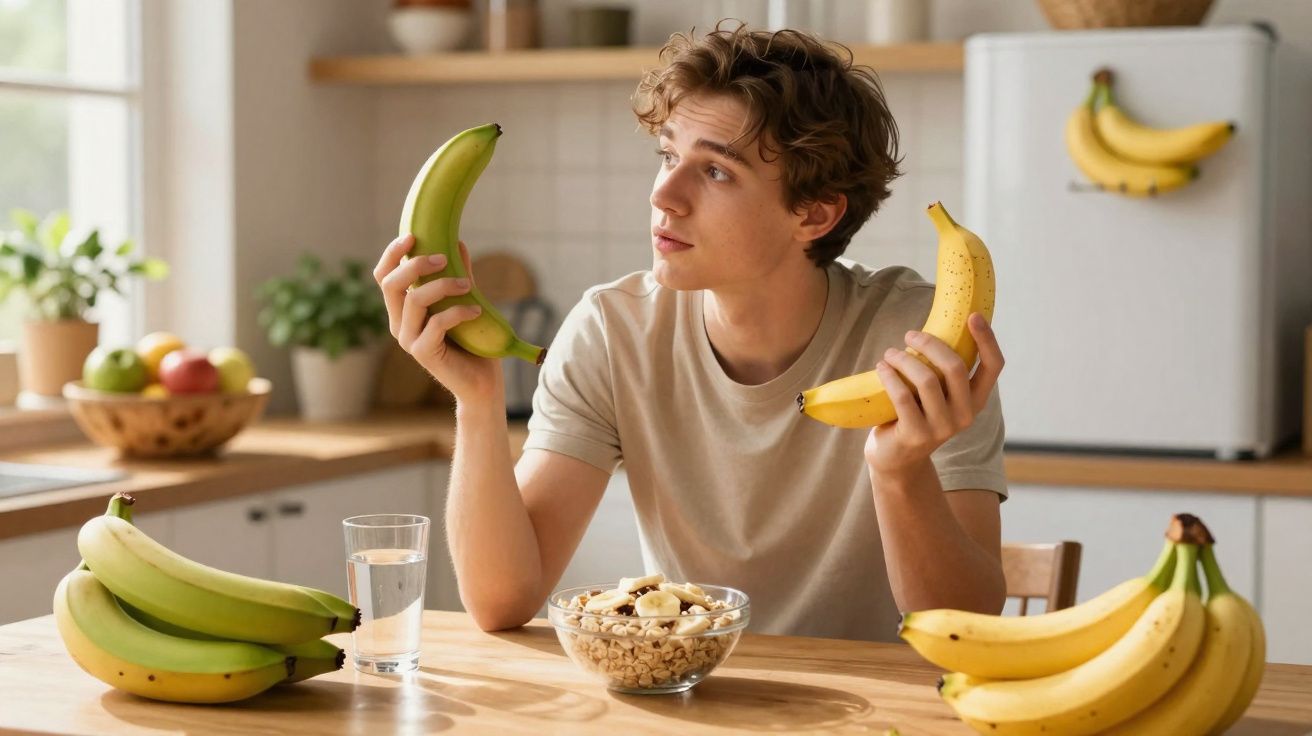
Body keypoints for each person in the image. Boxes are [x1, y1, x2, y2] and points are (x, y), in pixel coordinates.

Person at [373, 23, 1008, 642]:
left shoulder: (917, 340)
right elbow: (500, 601)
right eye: (670, 155)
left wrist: (899, 472)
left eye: (716, 172)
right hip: (688, 699)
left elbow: (966, 626)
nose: (665, 195)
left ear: (814, 213)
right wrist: (476, 400)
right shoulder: (612, 331)